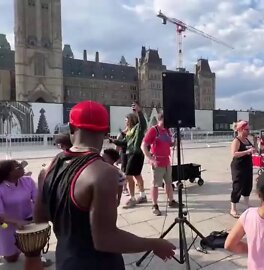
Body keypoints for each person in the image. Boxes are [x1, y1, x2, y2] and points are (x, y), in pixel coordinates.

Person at [33, 100, 175, 270]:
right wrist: (154, 243)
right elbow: (106, 239)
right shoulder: (103, 173)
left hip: (65, 261)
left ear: (71, 127)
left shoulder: (48, 168)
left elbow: (40, 219)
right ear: (105, 131)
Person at [0, 160, 52, 266]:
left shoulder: (28, 181)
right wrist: (18, 222)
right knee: (11, 259)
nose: (22, 167)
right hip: (8, 225)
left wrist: (39, 216)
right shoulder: (1, 188)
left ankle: (35, 254)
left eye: (20, 165)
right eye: (17, 166)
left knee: (31, 249)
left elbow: (37, 200)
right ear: (8, 173)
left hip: (29, 221)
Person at [141, 113, 181, 216]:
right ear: (161, 119)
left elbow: (168, 144)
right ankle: (154, 205)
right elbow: (143, 145)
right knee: (155, 184)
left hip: (167, 161)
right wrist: (150, 158)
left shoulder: (167, 130)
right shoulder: (154, 130)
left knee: (169, 182)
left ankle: (171, 201)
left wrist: (174, 143)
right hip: (157, 162)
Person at [111, 102, 147, 208]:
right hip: (130, 153)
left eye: (126, 121)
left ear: (131, 120)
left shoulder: (137, 129)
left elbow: (143, 124)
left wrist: (139, 111)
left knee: (128, 175)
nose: (125, 123)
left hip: (135, 154)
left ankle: (132, 198)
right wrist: (113, 141)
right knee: (136, 175)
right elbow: (124, 143)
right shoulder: (130, 132)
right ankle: (142, 195)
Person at [230, 120, 255, 218]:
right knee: (237, 187)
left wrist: (256, 143)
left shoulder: (247, 140)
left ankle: (247, 205)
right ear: (240, 130)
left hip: (248, 166)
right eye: (246, 129)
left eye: (249, 129)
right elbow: (234, 154)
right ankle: (233, 208)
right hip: (238, 167)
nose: (248, 131)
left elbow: (254, 150)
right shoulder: (237, 140)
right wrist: (247, 151)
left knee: (248, 185)